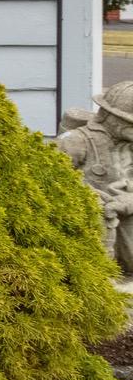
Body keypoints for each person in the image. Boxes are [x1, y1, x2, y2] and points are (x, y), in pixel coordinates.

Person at [58, 80, 133, 276]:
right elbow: (50, 179)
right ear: (111, 116)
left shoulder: (128, 145)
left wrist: (127, 201)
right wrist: (89, 196)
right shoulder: (77, 141)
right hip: (91, 220)